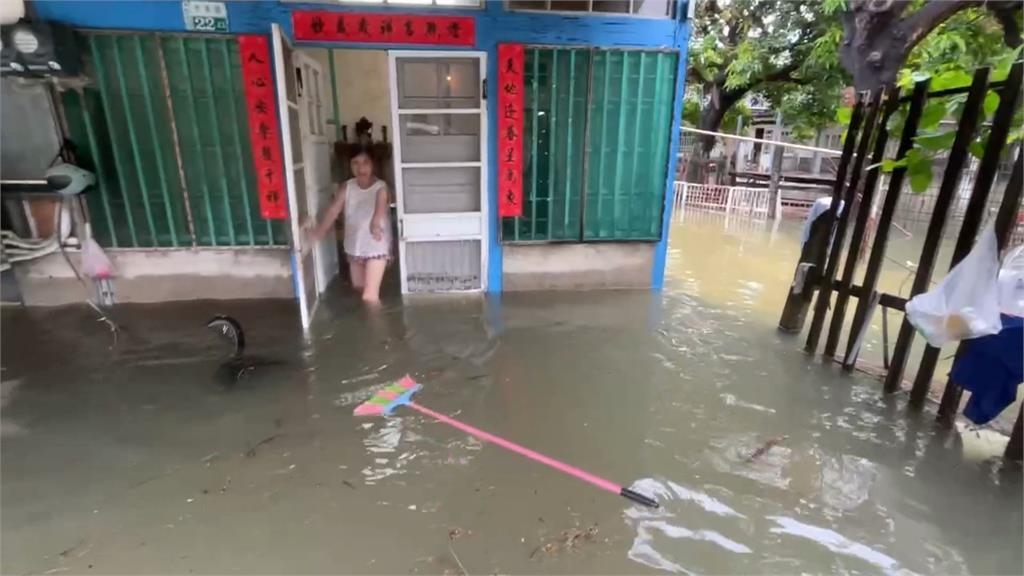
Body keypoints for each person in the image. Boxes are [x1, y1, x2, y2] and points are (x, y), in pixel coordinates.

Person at [308, 146, 391, 303]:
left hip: (376, 244)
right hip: (354, 246)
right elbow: (333, 211)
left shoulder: (381, 186)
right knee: (359, 288)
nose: (360, 167)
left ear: (373, 164)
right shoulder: (347, 186)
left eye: (366, 162)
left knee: (369, 296)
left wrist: (375, 223)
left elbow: (380, 206)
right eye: (355, 163)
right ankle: (368, 323)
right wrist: (320, 231)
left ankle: (378, 326)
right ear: (350, 165)